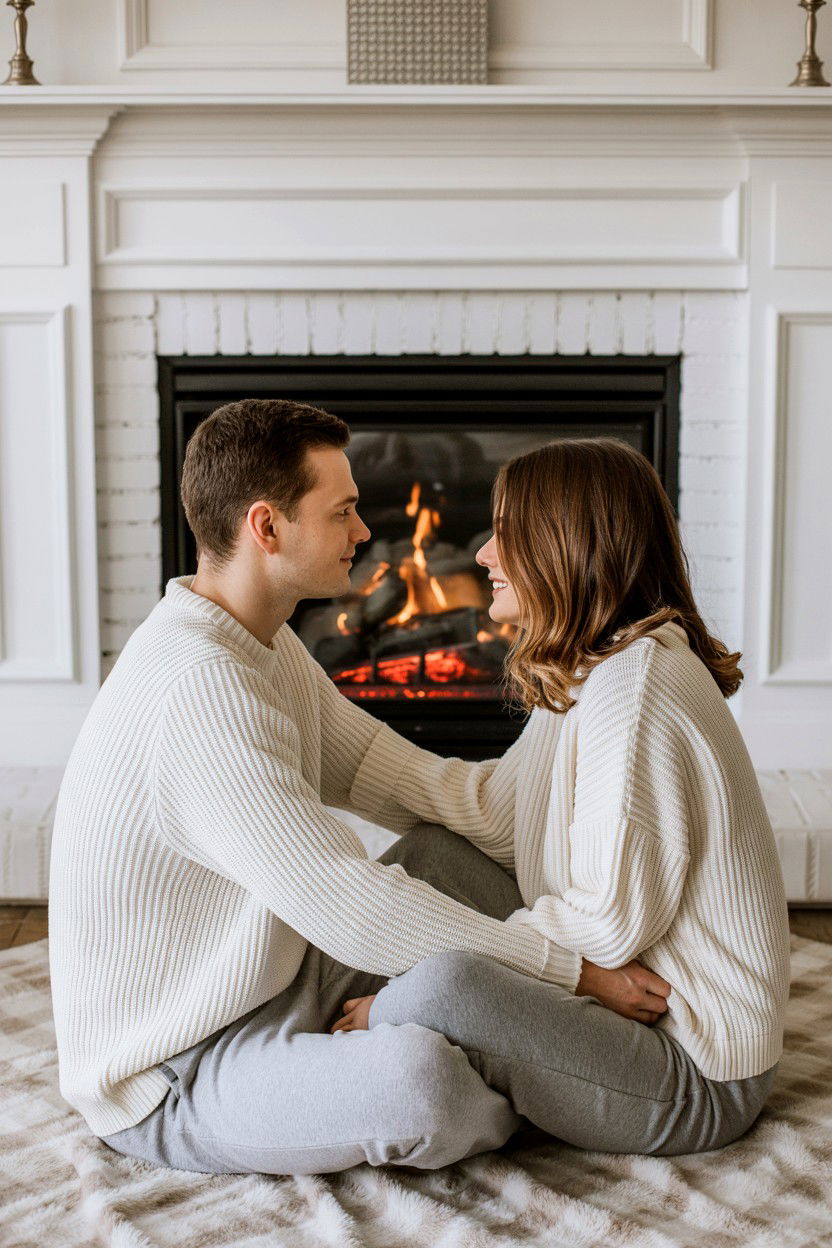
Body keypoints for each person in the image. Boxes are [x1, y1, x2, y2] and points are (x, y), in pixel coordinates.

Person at [49, 401, 669, 1176]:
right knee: (424, 1084)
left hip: (272, 974)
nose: (365, 531)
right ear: (266, 527)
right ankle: (543, 1071)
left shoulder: (261, 648)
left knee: (437, 856)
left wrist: (569, 753)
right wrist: (570, 971)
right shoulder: (199, 690)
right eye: (342, 511)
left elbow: (407, 781)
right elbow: (350, 901)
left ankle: (536, 1047)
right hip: (180, 1066)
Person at [333, 438, 791, 1157]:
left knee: (441, 989)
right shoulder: (595, 667)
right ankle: (296, 1028)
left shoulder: (637, 691)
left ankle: (345, 1029)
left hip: (695, 1070)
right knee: (428, 858)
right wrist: (344, 760)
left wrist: (398, 1000)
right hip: (631, 1007)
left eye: (506, 533)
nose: (483, 553)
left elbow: (604, 926)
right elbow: (496, 812)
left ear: (563, 545)